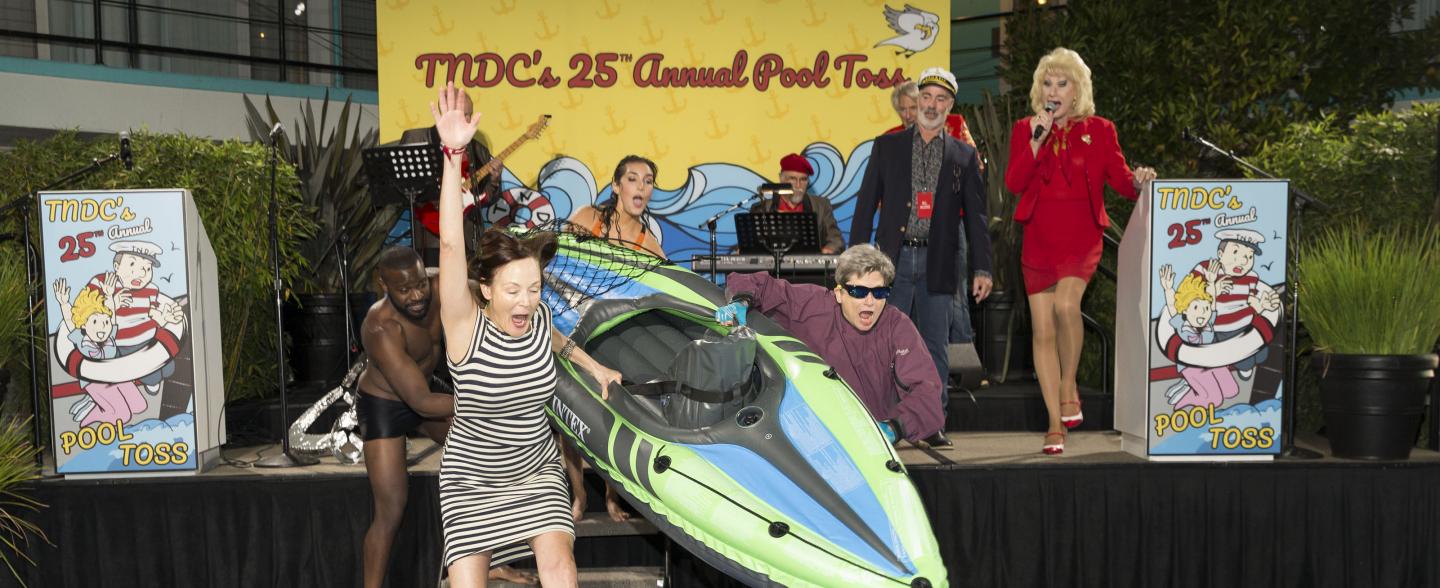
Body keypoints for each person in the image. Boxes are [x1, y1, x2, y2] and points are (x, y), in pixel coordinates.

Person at [431, 82, 622, 587]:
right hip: (472, 479)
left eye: (534, 288)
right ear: (486, 289)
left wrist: (594, 365)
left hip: (535, 472)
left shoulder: (536, 319)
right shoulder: (464, 328)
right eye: (513, 289)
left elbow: (554, 341)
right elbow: (451, 245)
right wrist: (454, 155)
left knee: (560, 566)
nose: (526, 300)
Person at [1003, 48, 1157, 455]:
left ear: (1077, 90)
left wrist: (1140, 180)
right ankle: (1055, 423)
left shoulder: (1101, 130)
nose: (1054, 90)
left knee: (1067, 307)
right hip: (1038, 237)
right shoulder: (1026, 128)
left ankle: (1069, 383)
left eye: (1062, 83)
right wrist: (1037, 141)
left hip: (1080, 236)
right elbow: (1015, 181)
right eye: (1048, 83)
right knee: (1042, 331)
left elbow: (1123, 182)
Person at [355, 245, 536, 587]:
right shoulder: (380, 326)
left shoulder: (443, 288)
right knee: (391, 509)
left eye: (421, 283)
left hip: (427, 387)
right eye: (404, 289)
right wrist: (491, 396)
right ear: (384, 285)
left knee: (489, 461)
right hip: (387, 405)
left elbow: (494, 295)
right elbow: (420, 402)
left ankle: (490, 562)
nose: (417, 295)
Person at [850, 67, 993, 448]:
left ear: (950, 106)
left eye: (940, 99)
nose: (932, 105)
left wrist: (982, 268)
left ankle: (931, 423)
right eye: (926, 97)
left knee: (934, 347)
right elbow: (865, 206)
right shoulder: (887, 147)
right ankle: (881, 424)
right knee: (882, 343)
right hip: (891, 262)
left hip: (939, 262)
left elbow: (977, 218)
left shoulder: (964, 155)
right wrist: (856, 261)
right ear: (917, 103)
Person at [714, 244, 945, 444]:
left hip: (872, 440)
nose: (870, 302)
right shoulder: (812, 305)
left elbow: (927, 393)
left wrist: (893, 428)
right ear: (839, 293)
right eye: (859, 291)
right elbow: (755, 282)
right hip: (813, 433)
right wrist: (741, 300)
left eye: (879, 292)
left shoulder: (897, 326)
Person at [401, 88, 502, 266]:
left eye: (470, 114)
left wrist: (494, 181)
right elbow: (403, 186)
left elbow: (487, 199)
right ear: (445, 113)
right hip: (430, 237)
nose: (469, 120)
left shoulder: (478, 150)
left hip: (467, 238)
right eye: (464, 115)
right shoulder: (415, 138)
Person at [569, 155, 667, 259]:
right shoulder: (586, 218)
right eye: (632, 179)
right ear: (616, 186)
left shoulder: (651, 250)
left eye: (648, 181)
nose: (641, 186)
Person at [749, 153, 844, 254]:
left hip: (810, 269)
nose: (798, 185)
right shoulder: (761, 208)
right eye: (793, 179)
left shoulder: (822, 205)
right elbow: (749, 243)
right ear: (781, 178)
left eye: (803, 179)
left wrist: (828, 250)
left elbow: (836, 240)